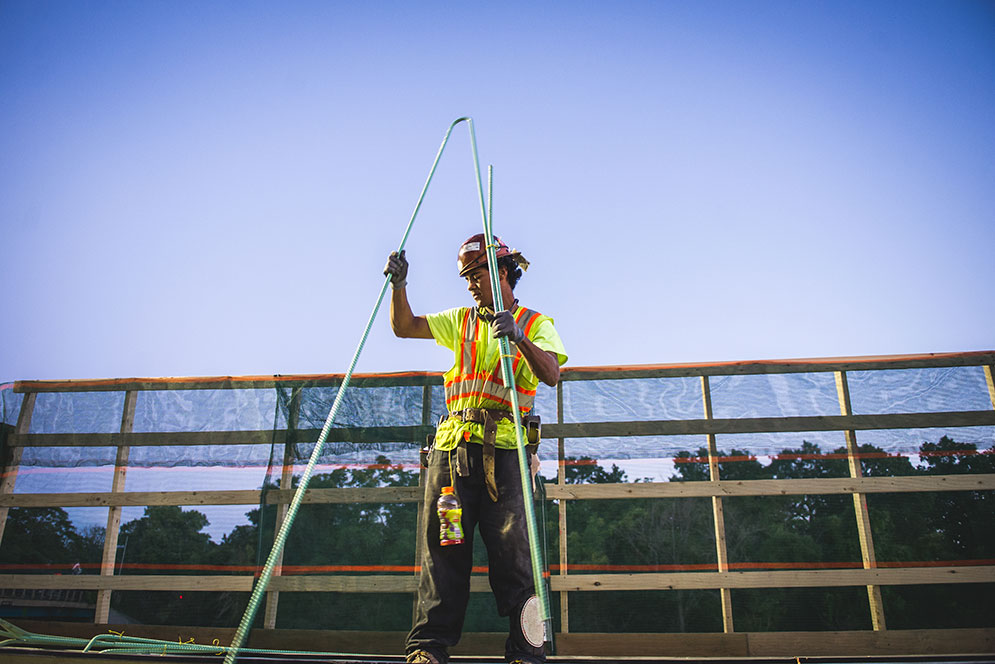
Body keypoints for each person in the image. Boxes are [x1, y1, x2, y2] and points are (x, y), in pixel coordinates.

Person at [384, 233, 567, 664]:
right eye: (465, 276)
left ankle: (527, 650)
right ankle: (428, 649)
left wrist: (518, 336)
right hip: (452, 460)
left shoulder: (537, 323)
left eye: (476, 273)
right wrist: (399, 285)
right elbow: (403, 327)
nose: (469, 283)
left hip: (505, 459)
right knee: (443, 550)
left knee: (515, 556)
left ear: (502, 272)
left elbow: (552, 374)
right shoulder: (462, 321)